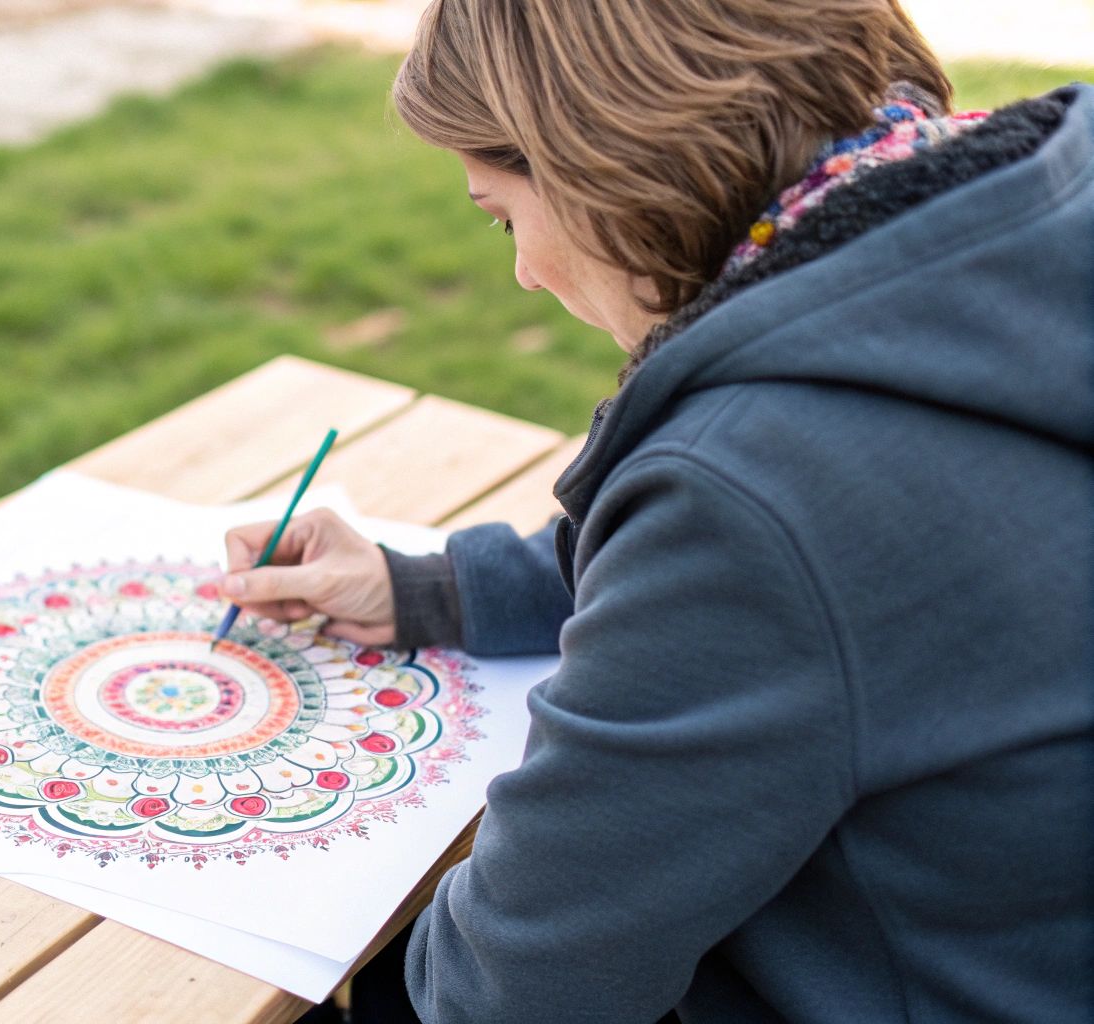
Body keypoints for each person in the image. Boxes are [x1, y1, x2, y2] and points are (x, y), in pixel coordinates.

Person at [221, 0, 1094, 1020]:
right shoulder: (1012, 238)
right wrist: (429, 587)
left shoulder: (756, 485)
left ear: (599, 164)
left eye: (503, 215)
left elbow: (515, 987)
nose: (522, 273)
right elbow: (839, 584)